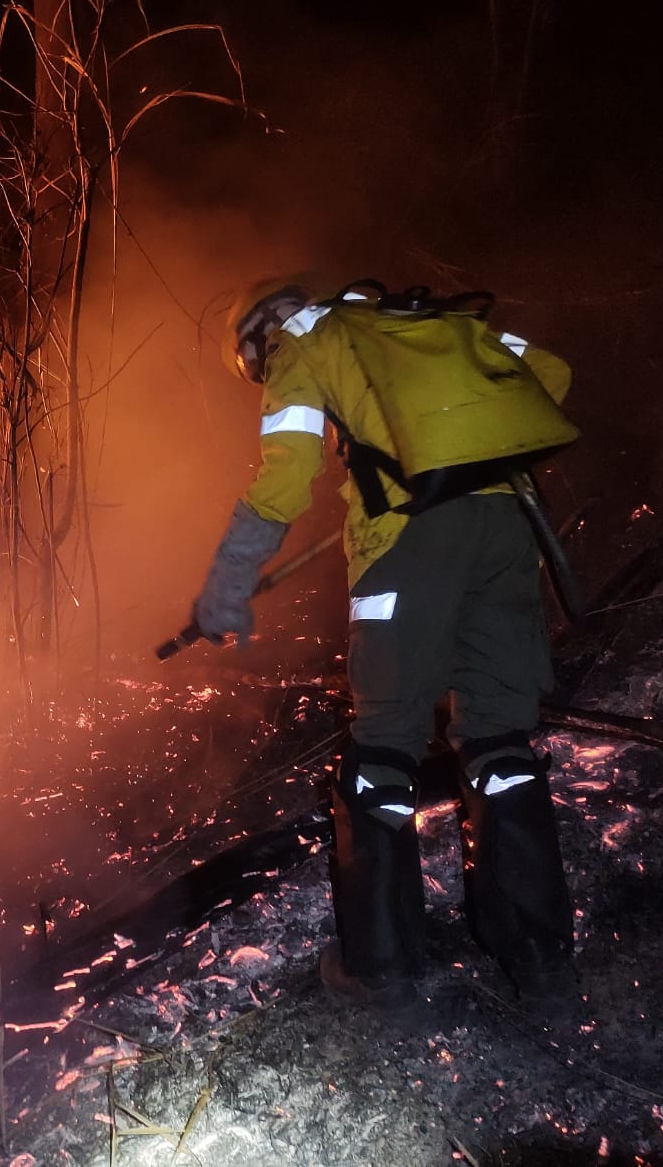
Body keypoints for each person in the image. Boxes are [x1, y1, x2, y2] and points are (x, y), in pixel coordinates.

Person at [193, 279, 579, 1009]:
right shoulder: (428, 321)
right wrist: (455, 449)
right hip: (505, 531)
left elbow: (288, 472)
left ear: (256, 341)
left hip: (406, 540)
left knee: (383, 746)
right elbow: (550, 376)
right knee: (499, 737)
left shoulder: (301, 341)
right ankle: (543, 964)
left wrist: (228, 580)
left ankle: (381, 970)